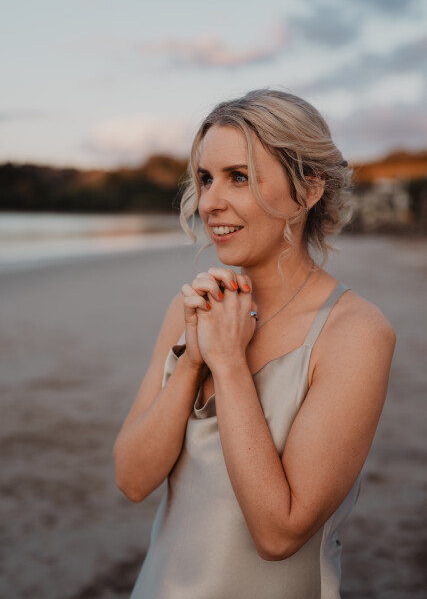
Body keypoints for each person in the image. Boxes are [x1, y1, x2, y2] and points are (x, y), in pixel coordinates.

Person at [113, 89, 396, 599]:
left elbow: (279, 533)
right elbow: (132, 480)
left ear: (309, 189)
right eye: (206, 178)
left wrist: (227, 364)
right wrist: (192, 362)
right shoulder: (191, 308)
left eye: (238, 177)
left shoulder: (356, 333)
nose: (209, 202)